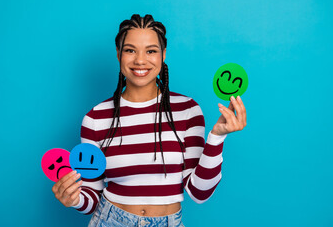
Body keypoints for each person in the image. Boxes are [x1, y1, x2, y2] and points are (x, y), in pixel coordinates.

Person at [52, 14, 247, 227]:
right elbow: (91, 196)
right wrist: (74, 199)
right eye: (130, 50)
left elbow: (199, 193)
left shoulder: (187, 110)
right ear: (118, 54)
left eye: (151, 51)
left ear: (163, 55)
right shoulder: (95, 118)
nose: (140, 60)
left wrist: (217, 137)